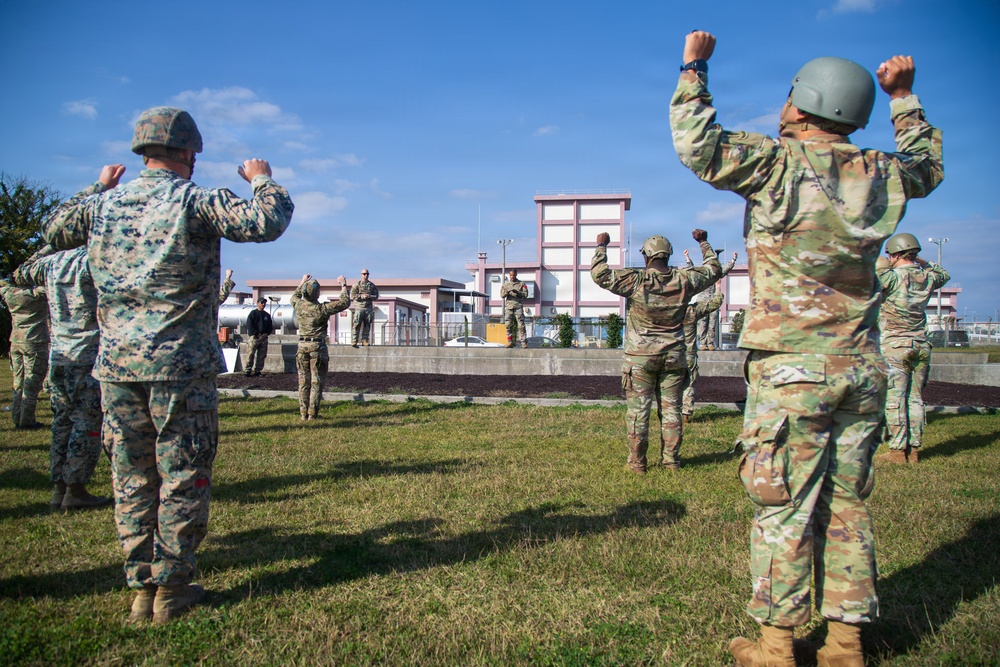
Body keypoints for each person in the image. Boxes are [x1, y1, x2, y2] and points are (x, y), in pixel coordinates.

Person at [670, 31, 943, 666]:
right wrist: (904, 99)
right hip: (863, 365)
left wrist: (694, 67)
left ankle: (777, 645)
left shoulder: (775, 164)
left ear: (802, 103)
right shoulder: (882, 175)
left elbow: (697, 144)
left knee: (784, 503)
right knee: (847, 503)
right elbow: (928, 166)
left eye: (789, 96)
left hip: (792, 368)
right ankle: (846, 643)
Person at [42, 106, 294, 624]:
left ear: (141, 152)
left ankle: (141, 590)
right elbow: (268, 220)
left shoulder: (104, 208)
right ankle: (173, 589)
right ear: (188, 152)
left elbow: (54, 229)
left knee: (131, 477)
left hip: (115, 366)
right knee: (182, 474)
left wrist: (96, 187)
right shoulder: (196, 201)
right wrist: (261, 177)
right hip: (180, 365)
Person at [591, 229, 721, 472]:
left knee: (639, 413)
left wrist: (602, 247)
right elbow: (714, 269)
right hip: (674, 356)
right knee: (672, 411)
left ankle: (638, 463)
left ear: (646, 256)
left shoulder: (636, 280)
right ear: (669, 255)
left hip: (640, 358)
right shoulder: (684, 280)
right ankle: (671, 461)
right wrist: (703, 242)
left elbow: (600, 275)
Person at [15, 247, 111, 510]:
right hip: (89, 354)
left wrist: (48, 246)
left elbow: (20, 273)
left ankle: (59, 487)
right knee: (87, 423)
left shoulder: (50, 262)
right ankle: (75, 488)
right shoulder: (96, 257)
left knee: (62, 421)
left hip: (59, 355)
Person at [876, 233, 950, 464]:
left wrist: (883, 261)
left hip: (895, 346)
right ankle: (915, 450)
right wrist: (920, 261)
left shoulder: (890, 278)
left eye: (891, 254)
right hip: (921, 344)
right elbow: (944, 274)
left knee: (895, 399)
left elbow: (874, 275)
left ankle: (898, 451)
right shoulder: (927, 277)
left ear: (896, 254)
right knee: (915, 399)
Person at [291, 273, 350, 419]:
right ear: (317, 294)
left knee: (303, 382)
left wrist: (302, 281)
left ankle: (303, 413)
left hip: (302, 346)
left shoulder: (299, 306)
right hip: (317, 347)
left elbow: (294, 296)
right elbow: (344, 303)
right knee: (316, 382)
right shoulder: (322, 309)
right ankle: (312, 414)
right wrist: (343, 285)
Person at [0, 274, 49, 429]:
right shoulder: (37, 294)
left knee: (18, 381)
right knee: (32, 384)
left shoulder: (9, 293)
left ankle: (17, 416)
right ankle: (27, 421)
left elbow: (2, 284)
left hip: (15, 341)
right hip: (34, 342)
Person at [681, 288, 723, 423]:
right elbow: (715, 303)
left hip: (670, 353)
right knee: (689, 384)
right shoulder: (691, 311)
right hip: (688, 354)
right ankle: (685, 413)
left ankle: (668, 414)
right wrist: (718, 289)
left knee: (669, 384)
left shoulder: (667, 311)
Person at [685, 248, 737, 350]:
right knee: (702, 323)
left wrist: (733, 260)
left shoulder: (716, 274)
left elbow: (726, 269)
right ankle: (702, 343)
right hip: (702, 300)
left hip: (713, 300)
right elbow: (691, 269)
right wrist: (687, 257)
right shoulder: (701, 274)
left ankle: (710, 343)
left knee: (712, 323)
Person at [244, 296, 273, 377]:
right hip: (254, 337)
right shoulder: (253, 313)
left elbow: (270, 327)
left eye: (264, 303)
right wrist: (257, 334)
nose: (263, 304)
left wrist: (265, 334)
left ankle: (258, 371)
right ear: (258, 303)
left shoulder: (267, 315)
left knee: (261, 355)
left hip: (263, 338)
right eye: (262, 303)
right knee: (251, 354)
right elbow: (249, 325)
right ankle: (248, 370)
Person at [350, 269, 379, 347]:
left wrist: (370, 296)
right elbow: (352, 295)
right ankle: (354, 340)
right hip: (359, 307)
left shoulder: (372, 285)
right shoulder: (357, 285)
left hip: (368, 308)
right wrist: (362, 296)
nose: (365, 275)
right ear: (361, 274)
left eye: (367, 274)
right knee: (356, 324)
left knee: (367, 325)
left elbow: (376, 296)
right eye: (364, 274)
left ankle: (364, 340)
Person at [501, 269, 529, 348]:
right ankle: (509, 341)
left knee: (521, 325)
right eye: (511, 275)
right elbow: (502, 295)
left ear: (516, 275)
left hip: (518, 306)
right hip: (509, 307)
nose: (512, 277)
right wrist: (507, 292)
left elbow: (526, 294)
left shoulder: (521, 284)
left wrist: (518, 292)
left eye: (513, 275)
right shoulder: (505, 285)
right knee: (508, 325)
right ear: (509, 275)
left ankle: (523, 342)